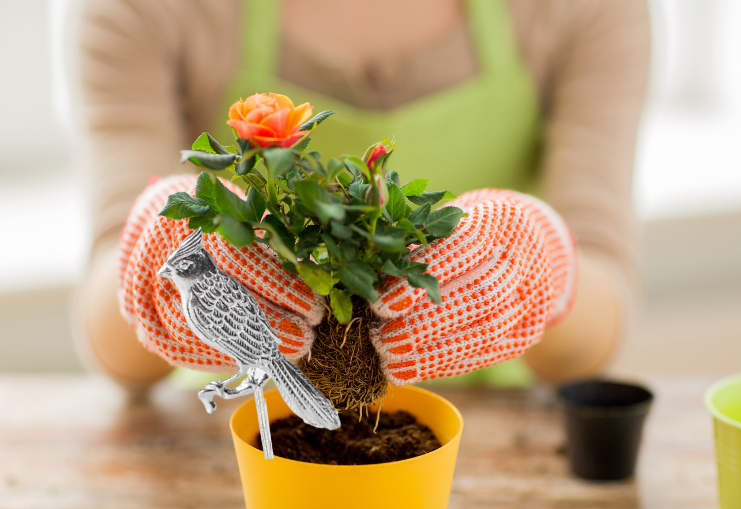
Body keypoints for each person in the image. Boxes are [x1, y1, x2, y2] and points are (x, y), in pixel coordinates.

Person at [71, 0, 650, 393]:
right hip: (239, 431)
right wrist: (154, 254)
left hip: (481, 435)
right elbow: (114, 350)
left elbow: (595, 335)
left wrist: (545, 265)